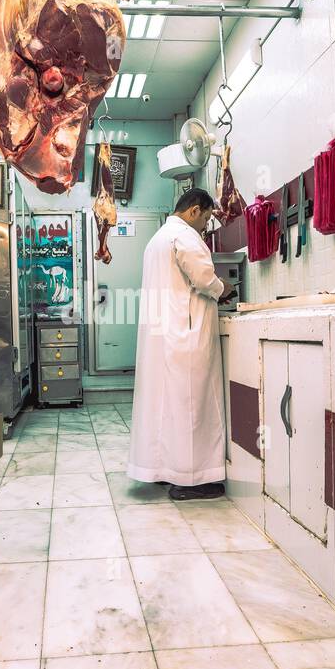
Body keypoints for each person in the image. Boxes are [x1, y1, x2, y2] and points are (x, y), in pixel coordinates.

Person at [127, 187, 235, 500]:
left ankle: (165, 470)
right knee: (190, 406)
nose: (205, 225)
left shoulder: (157, 239)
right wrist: (223, 287)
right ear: (194, 210)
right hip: (185, 335)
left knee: (166, 408)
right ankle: (191, 480)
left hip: (165, 337)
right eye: (207, 217)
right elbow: (204, 279)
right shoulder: (185, 236)